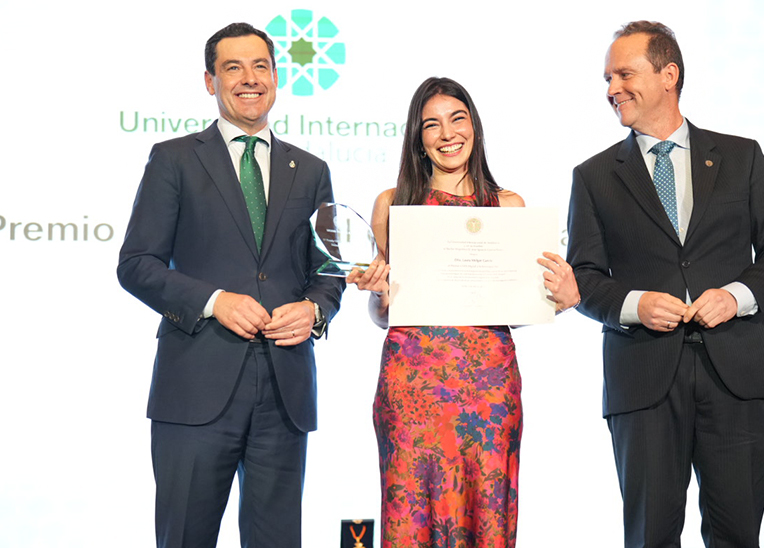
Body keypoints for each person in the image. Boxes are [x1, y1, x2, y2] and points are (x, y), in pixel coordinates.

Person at [566, 21, 764, 548]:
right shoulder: (594, 176)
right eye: (607, 78)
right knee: (650, 538)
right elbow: (582, 278)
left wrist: (736, 296)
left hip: (739, 375)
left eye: (624, 73)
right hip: (644, 379)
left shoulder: (742, 157)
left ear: (668, 74)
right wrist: (635, 304)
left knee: (738, 535)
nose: (610, 89)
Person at [117, 22, 345, 548]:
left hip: (284, 392)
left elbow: (329, 270)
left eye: (260, 66)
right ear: (209, 81)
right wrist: (214, 301)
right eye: (232, 68)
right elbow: (136, 263)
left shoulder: (310, 169)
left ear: (276, 77)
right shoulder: (174, 159)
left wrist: (314, 309)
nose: (249, 79)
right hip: (195, 390)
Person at [347, 77, 580, 548]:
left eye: (457, 119)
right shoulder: (392, 204)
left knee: (486, 514)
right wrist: (378, 294)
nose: (447, 133)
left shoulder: (508, 205)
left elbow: (518, 305)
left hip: (488, 392)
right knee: (410, 517)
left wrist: (563, 296)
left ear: (474, 126)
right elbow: (384, 311)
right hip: (412, 390)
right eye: (431, 124)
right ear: (418, 138)